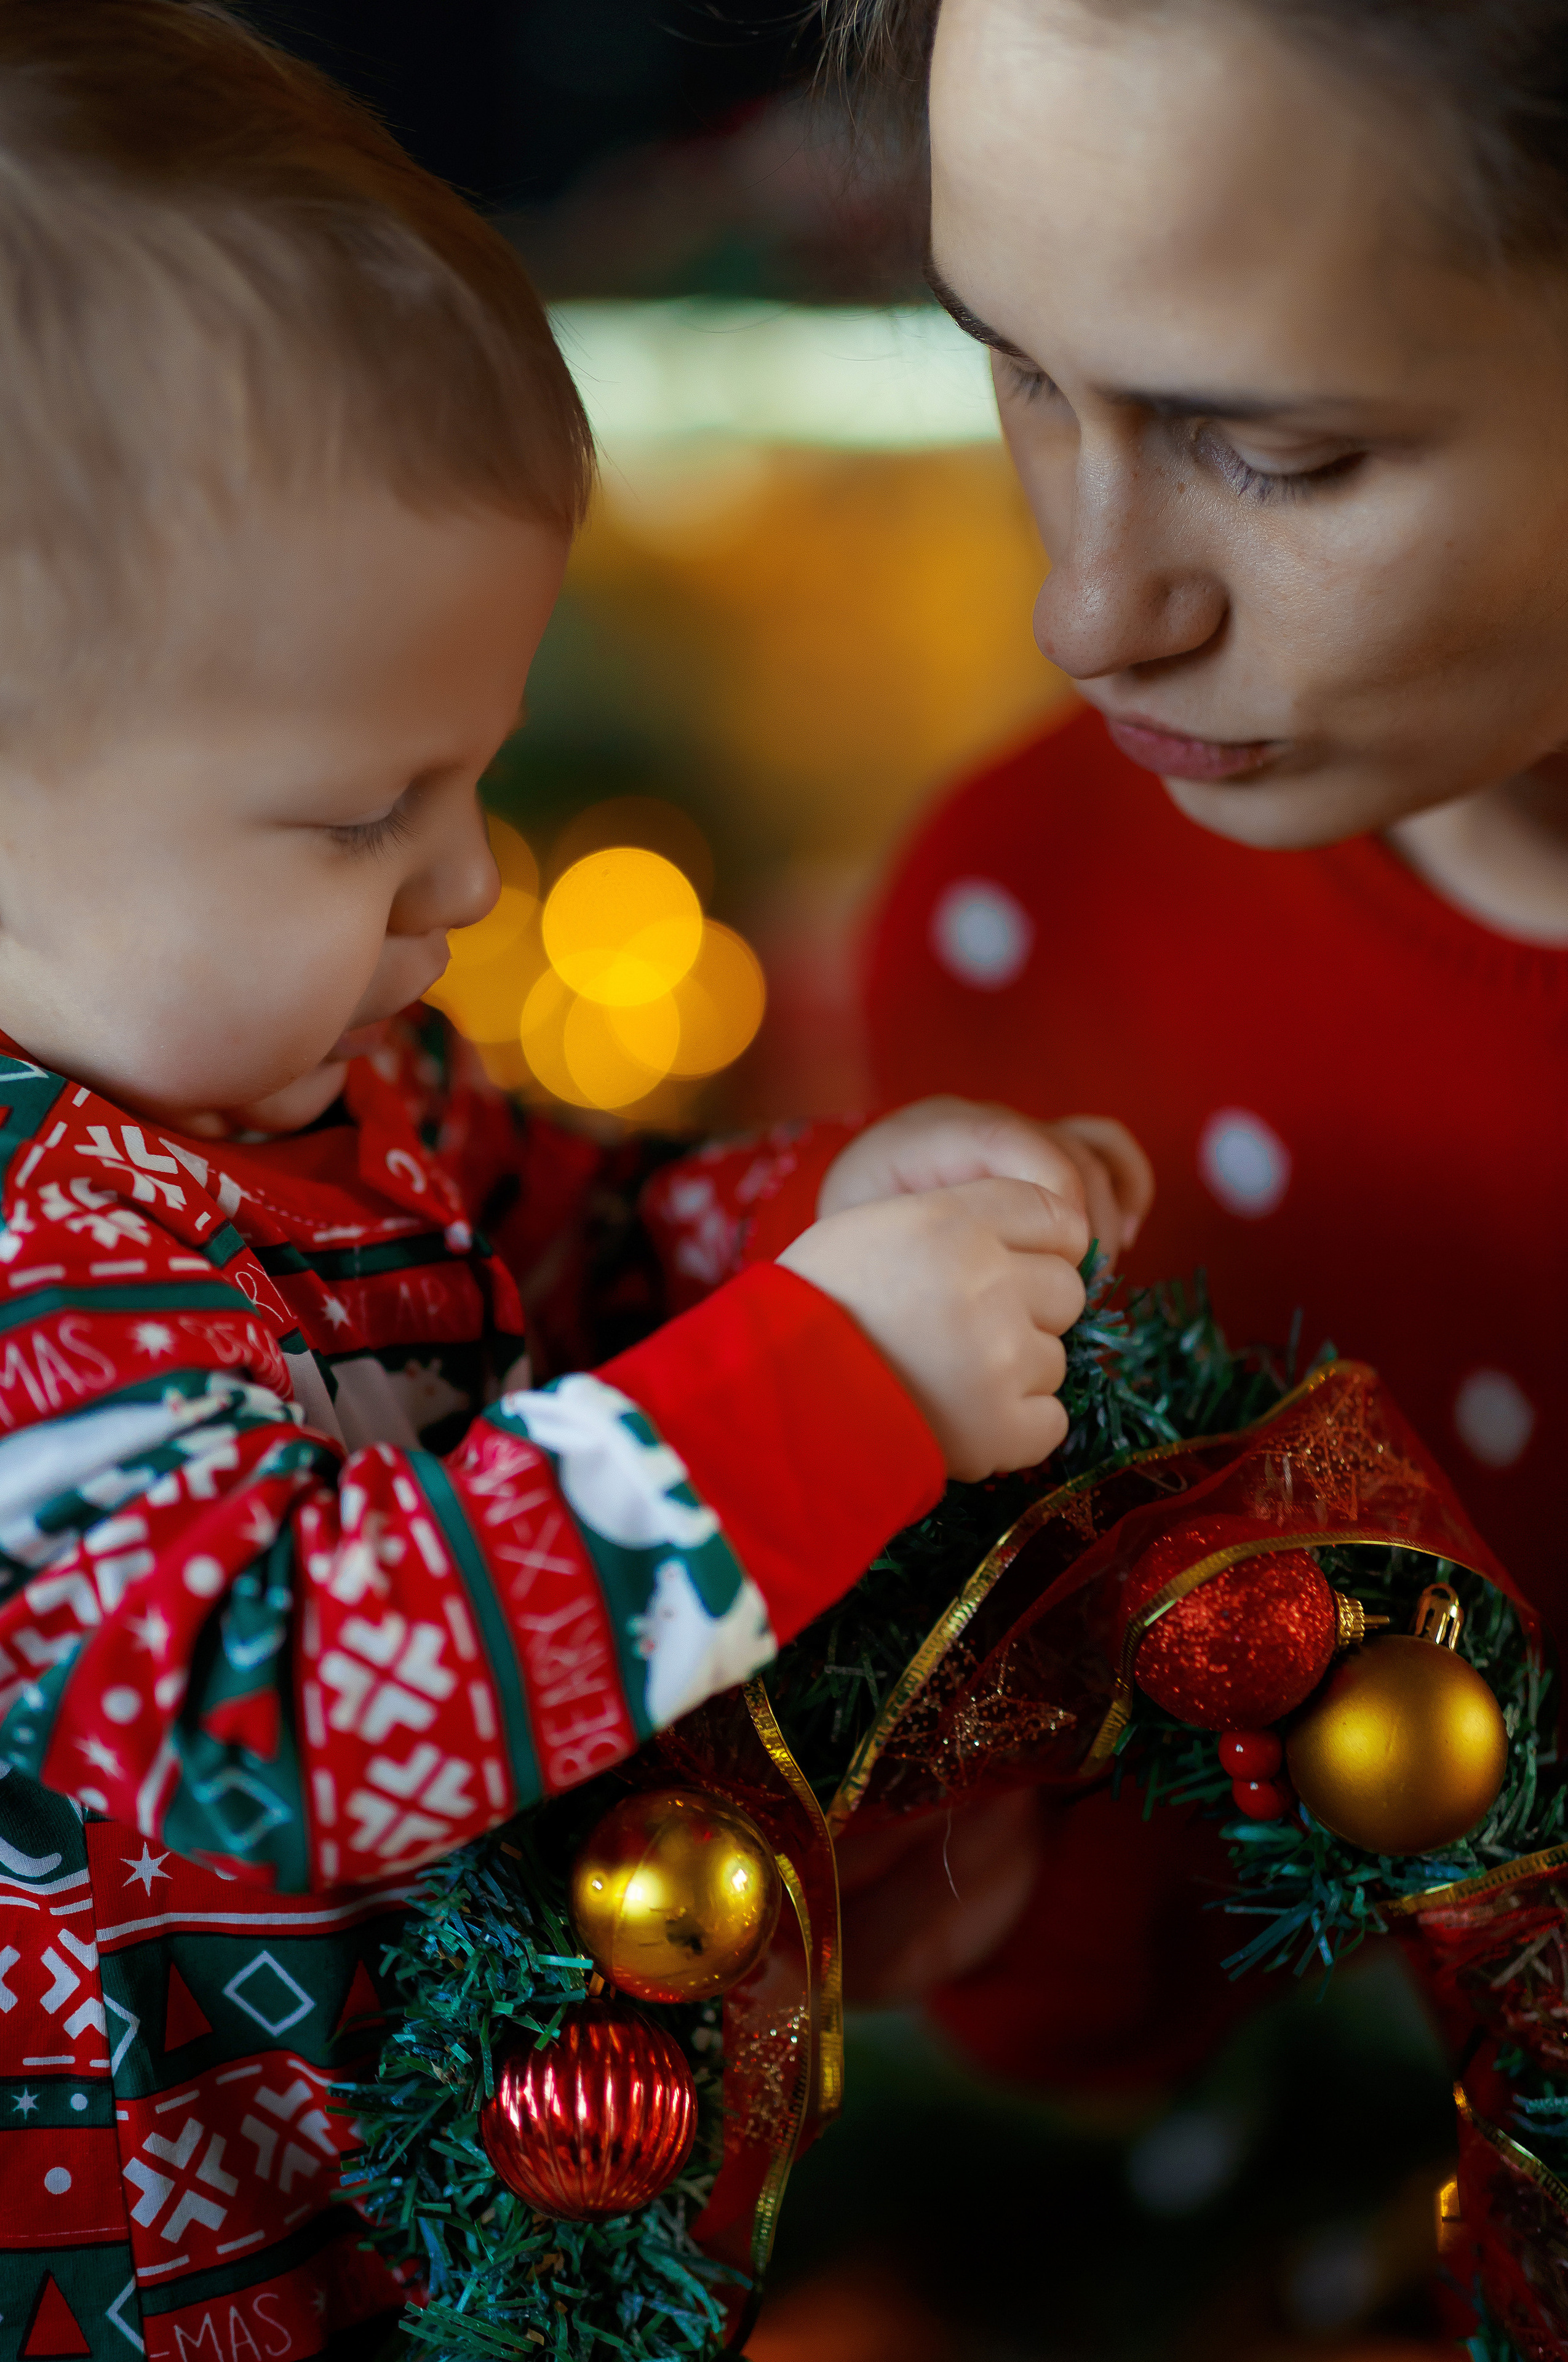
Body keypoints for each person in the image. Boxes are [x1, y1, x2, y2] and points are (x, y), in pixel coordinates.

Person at [0, 5, 1139, 2347]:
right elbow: (282, 1706)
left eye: (474, 774)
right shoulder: (30, 1265)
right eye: (357, 812)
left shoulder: (294, 1099)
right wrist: (835, 1384)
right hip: (149, 2283)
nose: (468, 885)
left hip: (424, 2229)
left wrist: (843, 1212)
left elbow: (586, 1245)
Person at [819, 0, 1568, 2098]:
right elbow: (1186, 1987)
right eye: (1021, 372)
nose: (1089, 607)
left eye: (1281, 451)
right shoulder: (1031, 920)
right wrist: (1009, 1877)